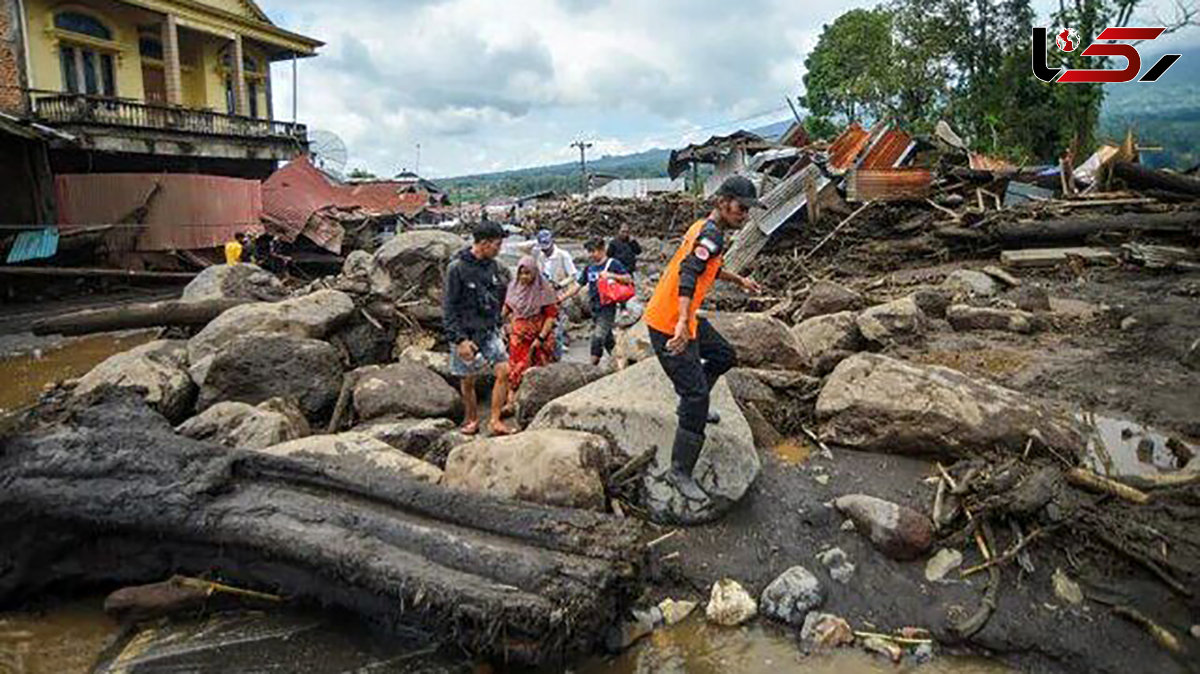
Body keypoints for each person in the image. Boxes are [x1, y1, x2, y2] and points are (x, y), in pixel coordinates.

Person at [644, 175, 765, 501]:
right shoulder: (710, 233)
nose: (745, 215)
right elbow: (688, 273)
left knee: (724, 355)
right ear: (723, 202)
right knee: (697, 395)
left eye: (748, 210)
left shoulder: (707, 230)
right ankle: (679, 471)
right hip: (669, 323)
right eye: (742, 208)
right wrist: (683, 321)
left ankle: (691, 407)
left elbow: (708, 266)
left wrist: (740, 281)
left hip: (680, 318)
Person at [443, 221, 514, 436]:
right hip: (465, 333)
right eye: (497, 244)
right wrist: (459, 339)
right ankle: (472, 418)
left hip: (488, 330)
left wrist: (503, 322)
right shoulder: (457, 268)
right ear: (483, 243)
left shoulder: (493, 266)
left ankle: (494, 420)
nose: (499, 249)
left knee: (504, 371)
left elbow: (496, 298)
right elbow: (449, 307)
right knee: (468, 381)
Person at [562, 238, 632, 366]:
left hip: (607, 307)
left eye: (593, 251)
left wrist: (611, 275)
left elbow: (628, 278)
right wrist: (562, 298)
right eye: (589, 251)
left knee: (598, 336)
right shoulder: (589, 267)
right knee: (608, 339)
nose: (590, 254)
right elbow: (578, 285)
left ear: (602, 250)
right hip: (593, 307)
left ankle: (591, 367)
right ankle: (620, 361)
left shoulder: (613, 264)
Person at [502, 256, 559, 411]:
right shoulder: (514, 288)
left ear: (535, 273)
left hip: (539, 336)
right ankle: (511, 402)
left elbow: (551, 316)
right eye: (521, 273)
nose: (524, 277)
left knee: (539, 367)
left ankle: (540, 403)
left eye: (528, 273)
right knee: (516, 367)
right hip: (518, 336)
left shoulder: (544, 290)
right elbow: (507, 308)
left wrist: (541, 338)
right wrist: (500, 323)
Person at [516, 229, 579, 359]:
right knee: (547, 324)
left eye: (547, 247)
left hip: (559, 293)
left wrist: (560, 284)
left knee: (557, 324)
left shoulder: (563, 255)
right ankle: (553, 348)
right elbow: (520, 247)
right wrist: (536, 241)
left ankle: (558, 351)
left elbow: (573, 276)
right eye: (543, 247)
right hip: (543, 295)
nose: (545, 250)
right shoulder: (539, 254)